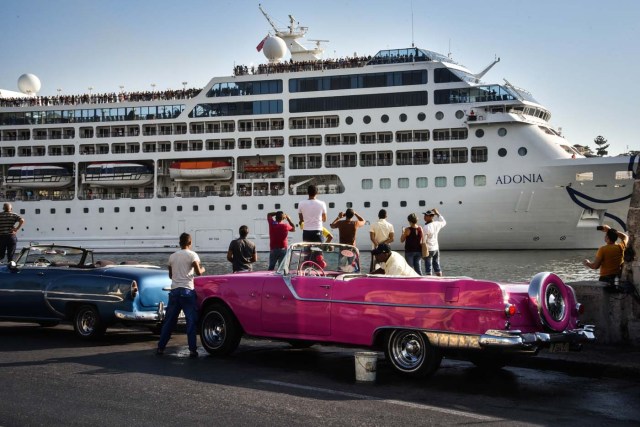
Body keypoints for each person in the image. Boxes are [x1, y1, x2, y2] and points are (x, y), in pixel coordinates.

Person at [156, 233, 205, 358]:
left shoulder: (172, 256)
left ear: (180, 243)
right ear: (190, 243)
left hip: (174, 292)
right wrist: (203, 269)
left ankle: (161, 347)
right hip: (187, 292)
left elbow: (170, 276)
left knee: (169, 321)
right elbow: (199, 272)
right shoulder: (193, 255)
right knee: (191, 321)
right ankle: (192, 350)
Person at [423, 208, 446, 276]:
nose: (424, 217)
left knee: (428, 267)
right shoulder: (437, 224)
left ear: (431, 217)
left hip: (429, 249)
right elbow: (444, 222)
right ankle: (440, 280)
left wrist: (423, 251)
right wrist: (438, 213)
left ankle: (429, 283)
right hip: (436, 248)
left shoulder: (426, 227)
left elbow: (424, 240)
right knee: (437, 266)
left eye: (426, 215)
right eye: (424, 215)